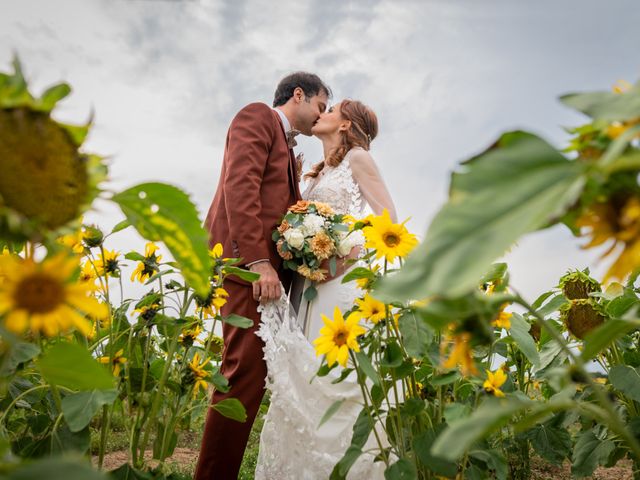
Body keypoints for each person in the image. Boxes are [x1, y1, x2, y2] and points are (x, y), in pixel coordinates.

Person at [194, 72, 331, 480]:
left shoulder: (290, 150)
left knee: (251, 378)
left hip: (266, 276)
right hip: (243, 268)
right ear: (299, 94)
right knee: (241, 374)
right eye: (321, 106)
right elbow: (240, 187)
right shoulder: (256, 116)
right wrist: (256, 262)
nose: (320, 115)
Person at [255, 99, 397, 479]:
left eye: (331, 109)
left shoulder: (359, 160)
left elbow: (387, 220)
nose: (322, 113)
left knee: (338, 377)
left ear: (346, 124)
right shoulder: (315, 173)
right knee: (307, 377)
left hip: (339, 283)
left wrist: (343, 259)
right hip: (309, 283)